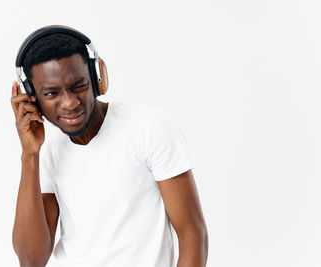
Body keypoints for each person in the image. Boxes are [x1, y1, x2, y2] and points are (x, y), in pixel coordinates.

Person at [11, 25, 208, 267]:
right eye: (52, 93)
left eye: (79, 86)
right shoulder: (49, 153)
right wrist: (29, 154)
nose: (70, 103)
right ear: (32, 98)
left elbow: (193, 234)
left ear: (96, 78)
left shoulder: (148, 127)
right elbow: (31, 260)